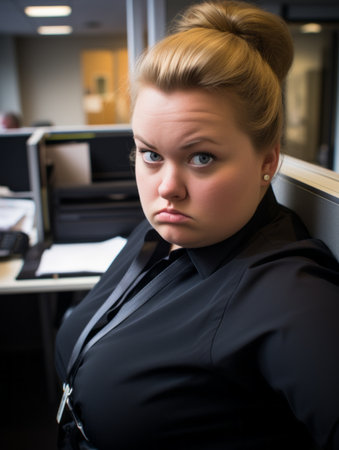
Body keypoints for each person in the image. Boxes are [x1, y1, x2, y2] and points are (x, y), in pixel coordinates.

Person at [55, 1, 339, 449]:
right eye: (150, 154)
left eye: (201, 158)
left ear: (267, 160)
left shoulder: (293, 299)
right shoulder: (159, 234)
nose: (167, 187)